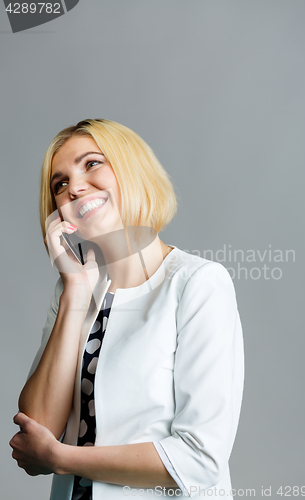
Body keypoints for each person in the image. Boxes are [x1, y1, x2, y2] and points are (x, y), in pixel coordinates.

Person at [10, 119, 244, 500]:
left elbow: (199, 459)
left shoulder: (197, 283)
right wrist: (74, 291)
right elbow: (37, 429)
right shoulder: (73, 290)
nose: (75, 187)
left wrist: (63, 457)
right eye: (60, 183)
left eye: (91, 164)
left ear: (131, 170)